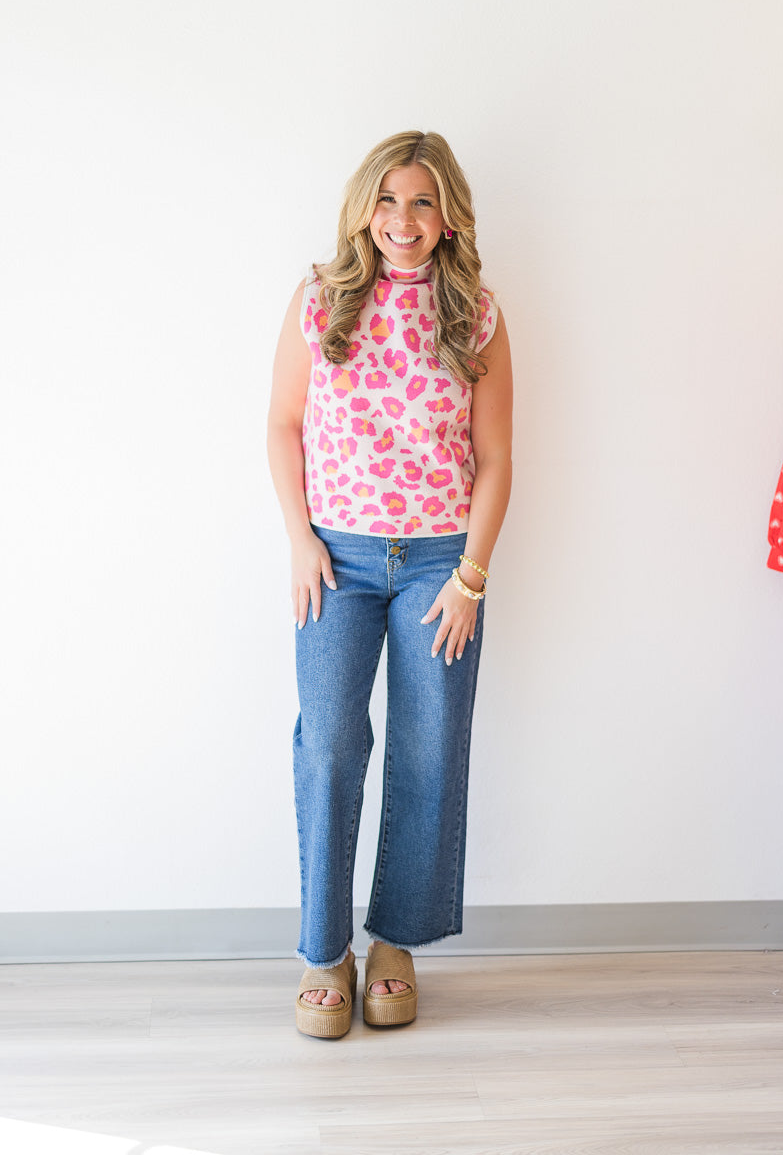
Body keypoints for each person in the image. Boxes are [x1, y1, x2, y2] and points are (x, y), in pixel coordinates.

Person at [267, 130, 512, 1038]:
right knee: (330, 744)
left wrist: (472, 577)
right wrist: (300, 539)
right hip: (338, 559)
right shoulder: (319, 299)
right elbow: (282, 424)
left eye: (422, 202)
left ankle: (396, 942)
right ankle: (324, 951)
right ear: (363, 206)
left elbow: (496, 459)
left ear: (448, 217)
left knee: (430, 746)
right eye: (387, 199)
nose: (402, 220)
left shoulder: (476, 315)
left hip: (442, 564)